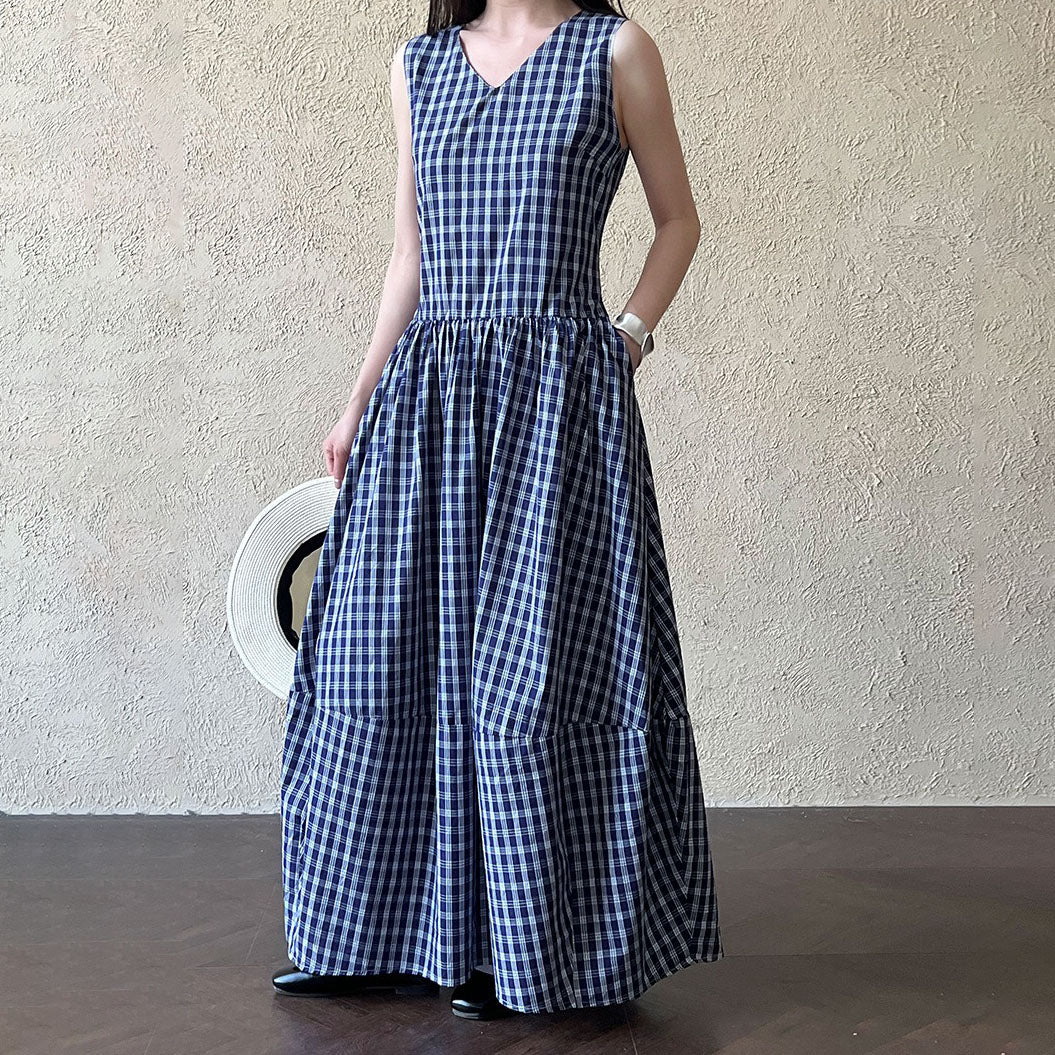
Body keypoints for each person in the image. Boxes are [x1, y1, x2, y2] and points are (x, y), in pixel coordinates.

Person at [271, 0, 723, 1020]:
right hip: (427, 400)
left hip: (557, 407)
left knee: (531, 685)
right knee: (381, 666)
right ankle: (376, 935)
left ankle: (525, 946)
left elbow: (679, 220)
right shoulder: (418, 67)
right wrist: (358, 398)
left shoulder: (614, 50)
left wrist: (627, 336)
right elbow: (409, 256)